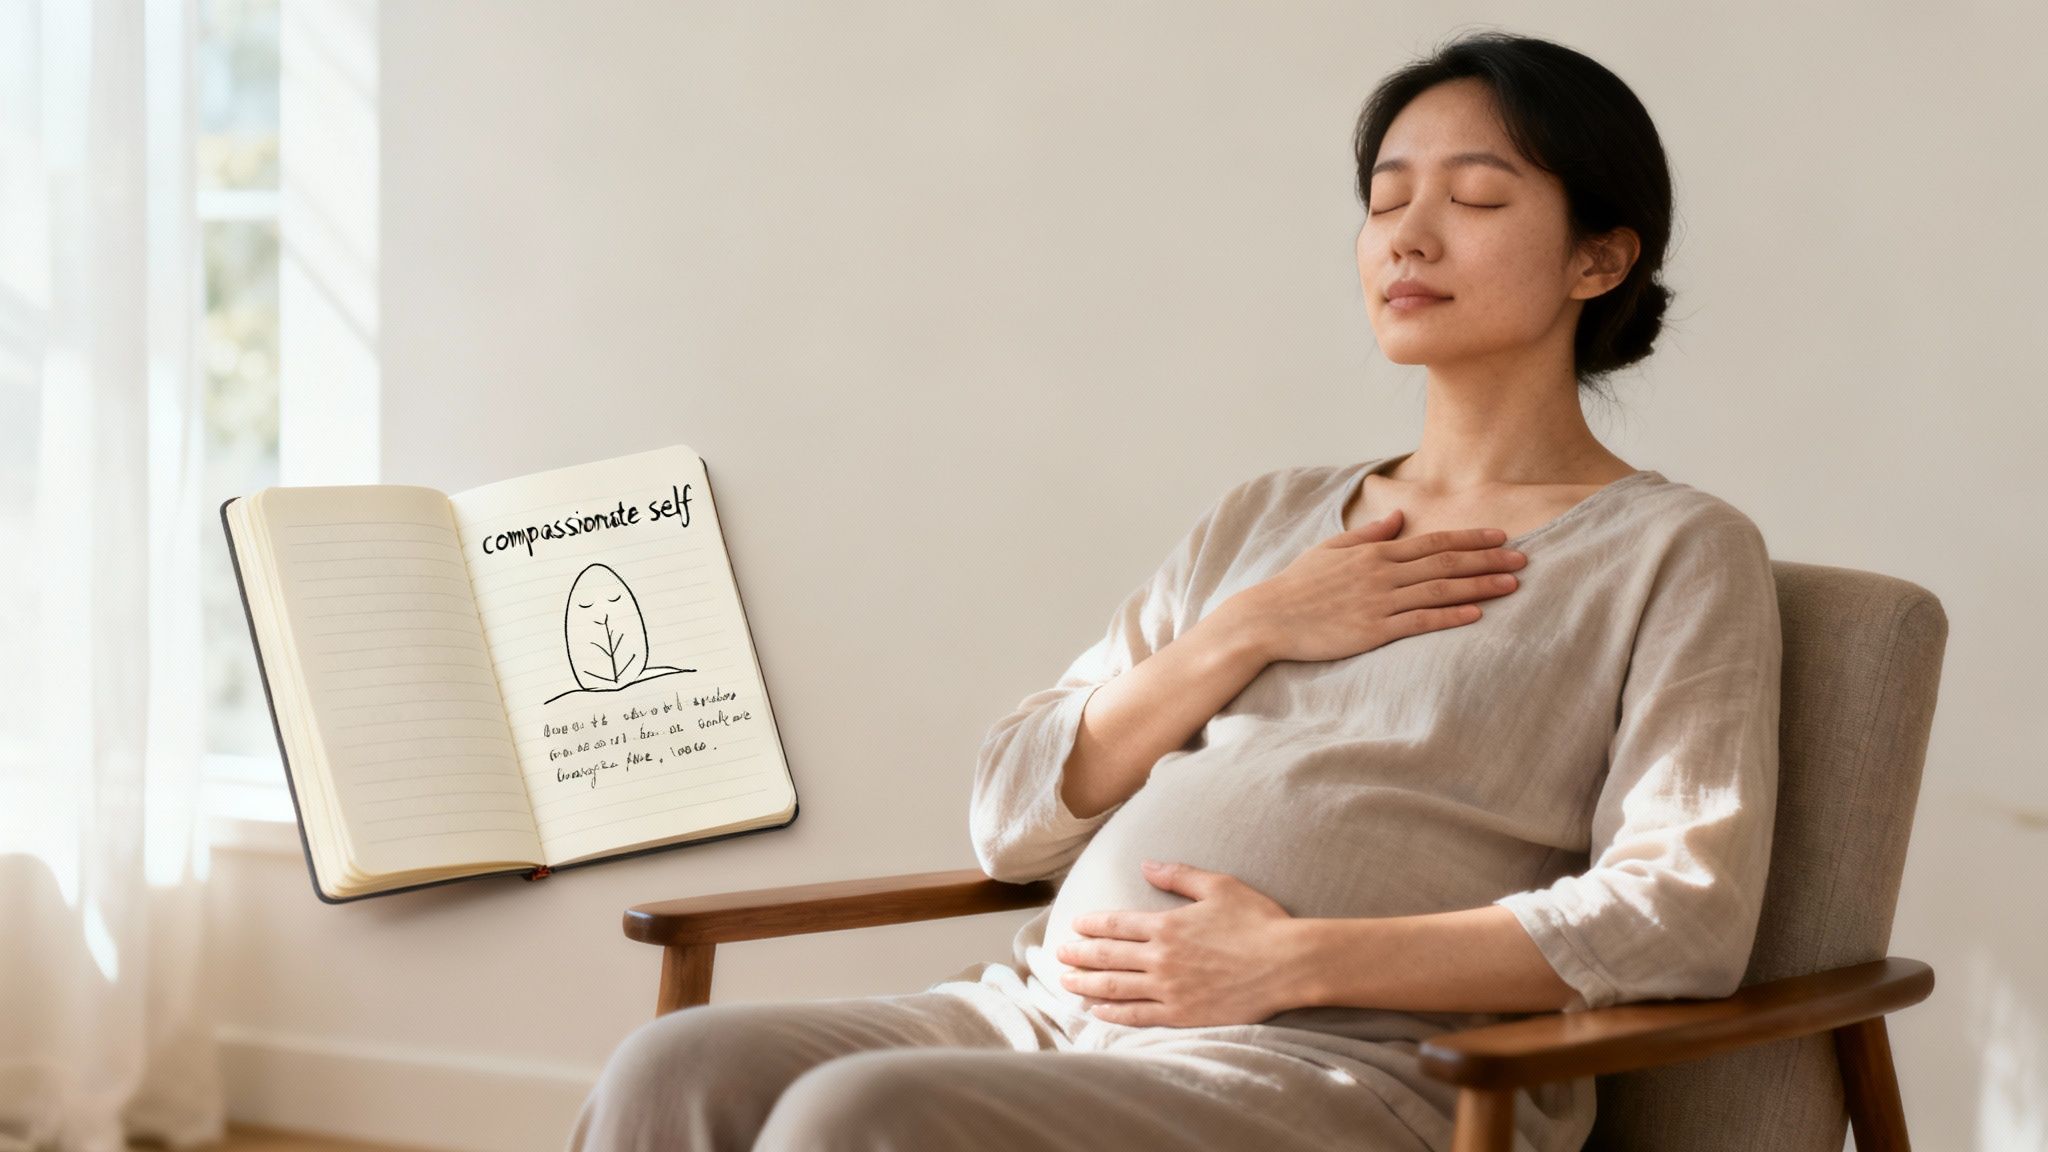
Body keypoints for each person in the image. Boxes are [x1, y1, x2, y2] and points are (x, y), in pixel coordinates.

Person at [567, 28, 1782, 1152]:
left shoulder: (1669, 552)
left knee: (861, 1114)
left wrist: (1295, 961)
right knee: (671, 1068)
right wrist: (1248, 628)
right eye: (1382, 201)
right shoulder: (1265, 519)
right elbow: (1010, 816)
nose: (1407, 238)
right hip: (1040, 1016)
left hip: (1340, 1063)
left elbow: (1680, 912)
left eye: (1471, 199)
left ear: (1597, 256)